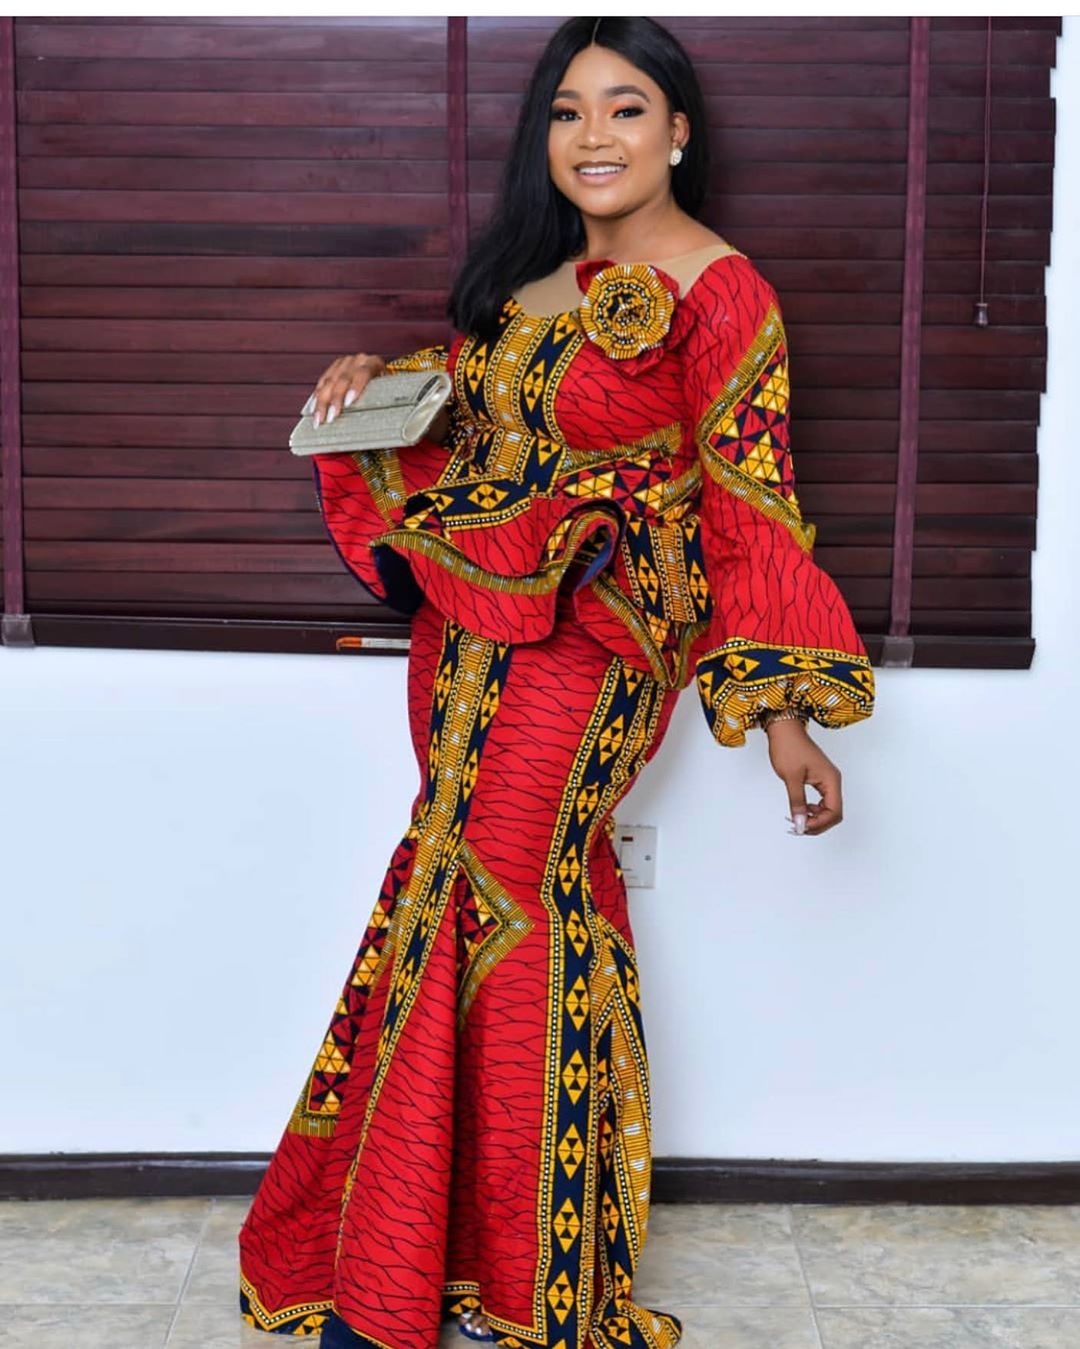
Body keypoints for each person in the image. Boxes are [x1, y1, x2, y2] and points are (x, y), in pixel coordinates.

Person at [237, 16, 875, 1349]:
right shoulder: (530, 280)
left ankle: (537, 1282)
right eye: (568, 111)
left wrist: (787, 722)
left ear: (678, 131)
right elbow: (484, 427)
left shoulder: (726, 293)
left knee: (520, 897)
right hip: (463, 643)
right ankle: (416, 1258)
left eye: (625, 108)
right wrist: (375, 383)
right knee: (448, 887)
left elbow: (750, 505)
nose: (593, 136)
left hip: (597, 648)